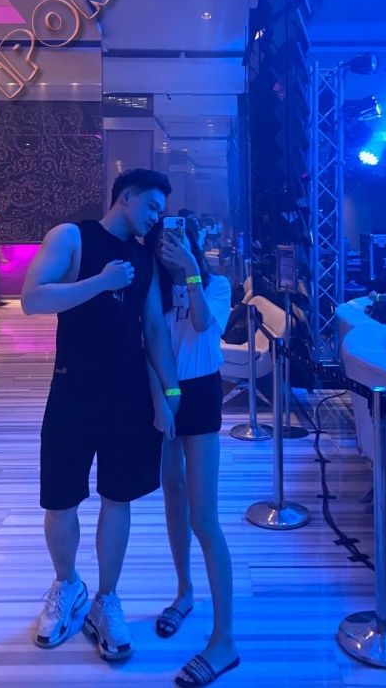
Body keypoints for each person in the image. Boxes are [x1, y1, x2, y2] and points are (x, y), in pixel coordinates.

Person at [21, 168, 180, 663]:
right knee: (60, 500)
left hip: (128, 393)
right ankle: (67, 584)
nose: (155, 217)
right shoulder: (72, 237)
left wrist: (170, 389)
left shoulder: (145, 258)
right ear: (125, 196)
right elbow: (32, 298)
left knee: (119, 496)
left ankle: (106, 598)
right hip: (73, 387)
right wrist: (101, 282)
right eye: (151, 206)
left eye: (161, 211)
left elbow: (154, 328)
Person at [146, 215, 238, 687]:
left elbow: (203, 325)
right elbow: (147, 343)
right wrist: (160, 397)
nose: (173, 243)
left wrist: (190, 271)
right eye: (166, 237)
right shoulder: (152, 288)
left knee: (205, 517)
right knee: (174, 495)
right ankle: (184, 592)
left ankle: (224, 639)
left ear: (196, 240)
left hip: (201, 392)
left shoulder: (216, 284)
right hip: (164, 391)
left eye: (181, 235)